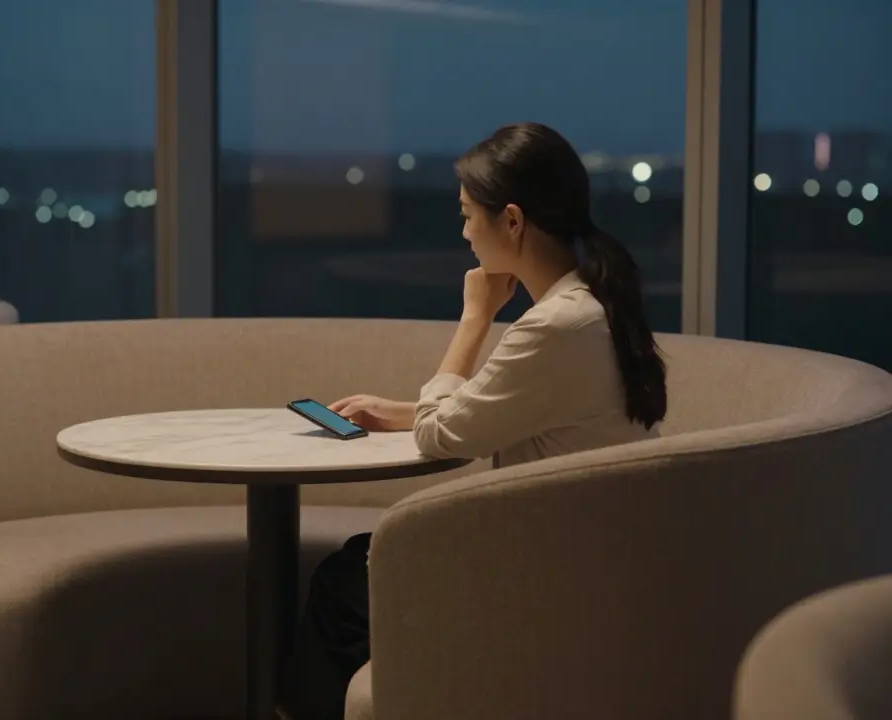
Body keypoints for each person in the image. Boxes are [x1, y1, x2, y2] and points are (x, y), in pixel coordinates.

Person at [276, 122, 669, 720]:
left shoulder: (551, 327)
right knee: (359, 562)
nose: (463, 233)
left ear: (511, 221)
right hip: (596, 560)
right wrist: (404, 412)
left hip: (546, 576)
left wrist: (475, 315)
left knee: (342, 583)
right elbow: (514, 414)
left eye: (467, 216)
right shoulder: (593, 306)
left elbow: (442, 434)